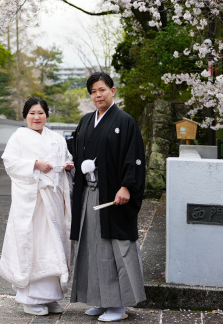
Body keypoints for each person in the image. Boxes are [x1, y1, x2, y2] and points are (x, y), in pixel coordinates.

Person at [69, 72, 146, 322]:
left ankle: (118, 306)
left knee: (115, 248)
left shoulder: (125, 121)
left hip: (112, 194)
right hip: (89, 193)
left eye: (102, 89)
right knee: (91, 246)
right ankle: (100, 300)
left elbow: (134, 157)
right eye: (93, 92)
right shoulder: (85, 121)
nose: (97, 95)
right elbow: (75, 150)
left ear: (112, 91)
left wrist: (127, 186)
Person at [0, 98, 74, 317]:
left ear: (47, 115)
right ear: (25, 116)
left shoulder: (57, 138)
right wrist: (34, 164)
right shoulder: (18, 137)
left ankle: (51, 297)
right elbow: (10, 162)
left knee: (54, 243)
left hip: (53, 200)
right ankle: (30, 299)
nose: (36, 117)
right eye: (32, 113)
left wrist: (68, 165)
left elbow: (66, 158)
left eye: (40, 113)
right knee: (34, 244)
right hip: (32, 201)